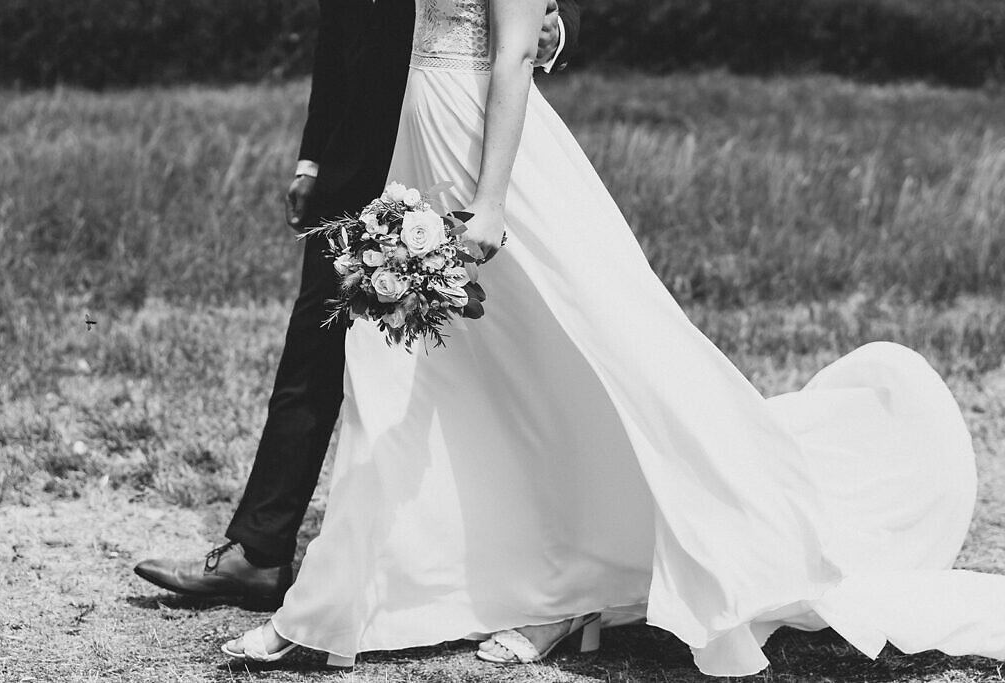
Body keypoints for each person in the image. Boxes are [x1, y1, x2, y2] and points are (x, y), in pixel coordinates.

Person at [224, 0, 1005, 677]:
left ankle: (566, 591)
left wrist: (490, 201)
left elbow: (517, 51)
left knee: (567, 365)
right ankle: (334, 605)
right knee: (404, 373)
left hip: (483, 153)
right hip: (416, 140)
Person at [132, 0, 579, 612]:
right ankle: (259, 551)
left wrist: (558, 28)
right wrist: (313, 159)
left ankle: (529, 548)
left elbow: (536, 17)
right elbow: (338, 33)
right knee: (312, 346)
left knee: (503, 352)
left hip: (460, 148)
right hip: (359, 161)